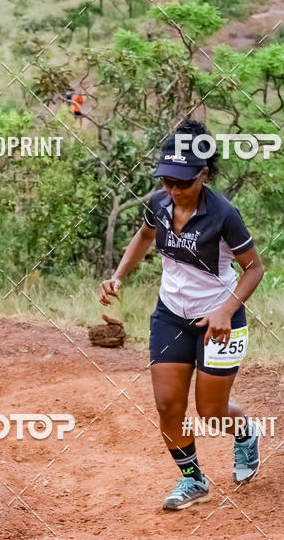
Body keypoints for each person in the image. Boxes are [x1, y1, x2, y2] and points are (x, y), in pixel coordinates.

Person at [99, 119, 264, 510]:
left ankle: (245, 432)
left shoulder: (224, 215)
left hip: (219, 322)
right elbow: (145, 235)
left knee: (211, 412)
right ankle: (193, 479)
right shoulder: (159, 204)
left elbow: (254, 269)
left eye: (182, 183)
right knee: (168, 405)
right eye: (166, 181)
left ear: (203, 174)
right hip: (170, 315)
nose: (172, 190)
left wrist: (226, 310)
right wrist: (118, 276)